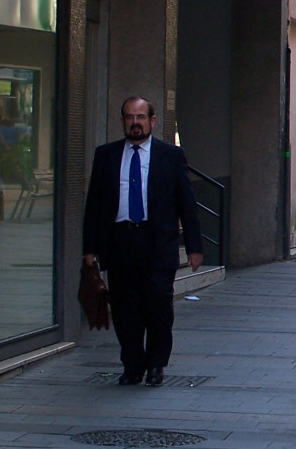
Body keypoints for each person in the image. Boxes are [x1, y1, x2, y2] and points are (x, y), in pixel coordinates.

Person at [82, 96, 203, 387]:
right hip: (121, 241)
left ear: (152, 121)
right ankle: (133, 364)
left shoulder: (170, 156)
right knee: (125, 309)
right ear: (123, 121)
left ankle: (157, 364)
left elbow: (186, 203)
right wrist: (90, 249)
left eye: (140, 117)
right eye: (129, 117)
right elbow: (94, 205)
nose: (134, 123)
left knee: (158, 307)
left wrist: (195, 246)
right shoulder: (106, 156)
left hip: (158, 242)